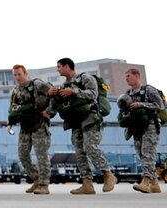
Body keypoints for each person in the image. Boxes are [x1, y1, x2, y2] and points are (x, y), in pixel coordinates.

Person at [43, 58, 116, 195]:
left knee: (90, 146)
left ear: (67, 66)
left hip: (90, 119)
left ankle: (108, 174)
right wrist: (50, 96)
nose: (57, 70)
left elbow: (93, 94)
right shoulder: (64, 86)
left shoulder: (85, 78)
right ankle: (87, 184)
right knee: (79, 152)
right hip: (75, 123)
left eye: (59, 67)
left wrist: (74, 92)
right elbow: (56, 106)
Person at [7, 64, 51, 194]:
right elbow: (12, 108)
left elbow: (53, 94)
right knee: (23, 155)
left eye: (19, 74)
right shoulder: (16, 91)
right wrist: (10, 123)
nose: (17, 77)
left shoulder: (37, 84)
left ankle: (44, 185)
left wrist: (50, 111)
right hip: (25, 127)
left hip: (39, 125)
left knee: (41, 156)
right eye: (15, 75)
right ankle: (37, 179)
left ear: (26, 74)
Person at [118, 68, 163, 194]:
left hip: (150, 125)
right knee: (141, 154)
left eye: (129, 76)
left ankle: (145, 181)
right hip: (136, 127)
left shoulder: (148, 90)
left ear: (137, 76)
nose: (126, 79)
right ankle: (154, 184)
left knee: (147, 152)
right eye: (126, 76)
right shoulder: (127, 94)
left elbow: (160, 105)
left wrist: (141, 104)